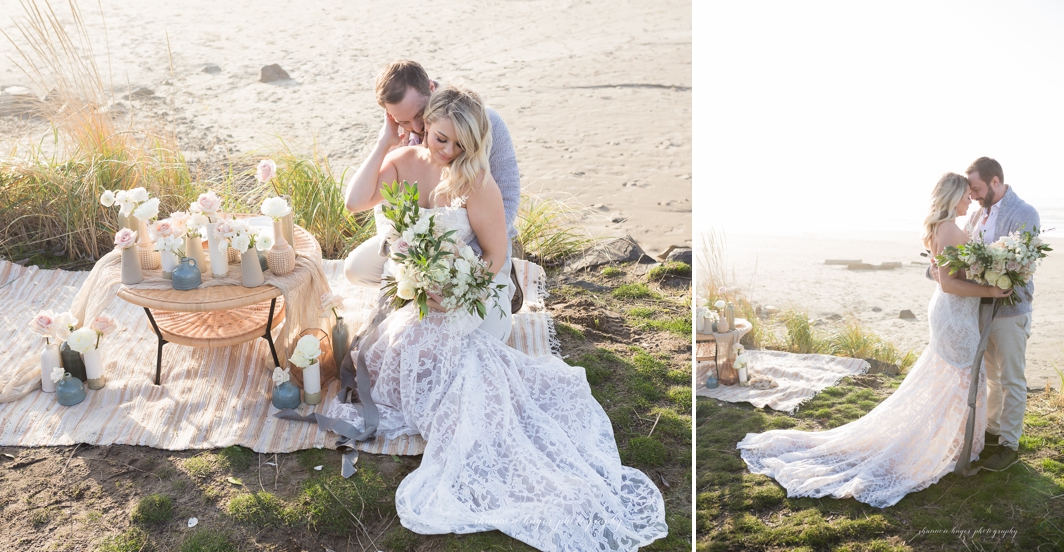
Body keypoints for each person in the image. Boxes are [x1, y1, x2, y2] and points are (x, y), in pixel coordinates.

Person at [328, 85, 668, 549]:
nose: (448, 151)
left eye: (459, 143)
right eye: (440, 138)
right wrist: (387, 141)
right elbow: (356, 199)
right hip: (428, 292)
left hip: (474, 296)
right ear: (425, 126)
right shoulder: (405, 163)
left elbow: (494, 257)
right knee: (388, 358)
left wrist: (457, 286)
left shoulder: (475, 181)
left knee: (461, 373)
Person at [737, 173, 1012, 508]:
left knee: (951, 381)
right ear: (954, 196)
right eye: (966, 195)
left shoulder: (941, 228)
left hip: (949, 314)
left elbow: (944, 275)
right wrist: (991, 289)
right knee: (965, 381)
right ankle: (954, 449)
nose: (970, 199)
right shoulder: (952, 229)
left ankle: (955, 445)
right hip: (955, 314)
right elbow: (949, 284)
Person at [343, 60, 521, 341]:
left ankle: (507, 281)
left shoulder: (480, 123)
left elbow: (508, 197)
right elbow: (377, 203)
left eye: (417, 115)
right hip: (420, 248)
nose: (414, 128)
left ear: (429, 89)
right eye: (402, 121)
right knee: (355, 269)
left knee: (484, 338)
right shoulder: (406, 139)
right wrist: (408, 256)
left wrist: (460, 262)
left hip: (477, 247)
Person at [963, 157, 1039, 472]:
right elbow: (965, 252)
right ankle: (993, 432)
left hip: (1010, 309)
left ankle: (1009, 444)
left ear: (995, 181)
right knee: (989, 377)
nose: (973, 197)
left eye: (977, 189)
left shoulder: (1024, 213)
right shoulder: (977, 215)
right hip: (979, 309)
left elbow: (1021, 263)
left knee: (1012, 379)